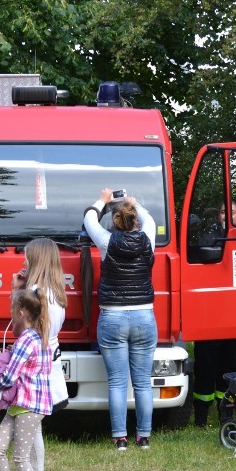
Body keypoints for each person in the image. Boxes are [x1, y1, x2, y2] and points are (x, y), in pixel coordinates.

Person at [83, 188, 156, 450]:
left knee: (117, 381)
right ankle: (144, 437)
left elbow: (89, 219)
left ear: (115, 222)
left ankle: (120, 438)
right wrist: (134, 204)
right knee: (142, 381)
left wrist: (102, 201)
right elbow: (150, 221)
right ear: (135, 218)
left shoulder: (106, 242)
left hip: (112, 316)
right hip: (144, 315)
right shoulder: (148, 238)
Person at [0, 287, 53, 471]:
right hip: (22, 404)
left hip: (29, 406)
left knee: (22, 457)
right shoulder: (37, 337)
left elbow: (9, 377)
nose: (11, 315)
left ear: (22, 312)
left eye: (13, 311)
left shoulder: (26, 340)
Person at [10, 238, 68, 471]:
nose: (23, 261)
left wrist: (15, 293)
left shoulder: (37, 294)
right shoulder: (54, 292)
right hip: (47, 366)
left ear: (37, 260)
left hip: (34, 370)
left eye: (27, 257)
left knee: (31, 432)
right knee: (33, 431)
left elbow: (19, 330)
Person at [193, 202, 236, 427]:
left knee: (229, 369)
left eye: (231, 212)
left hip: (233, 317)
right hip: (209, 316)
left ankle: (226, 416)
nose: (227, 216)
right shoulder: (207, 240)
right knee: (205, 368)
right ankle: (201, 419)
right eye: (223, 212)